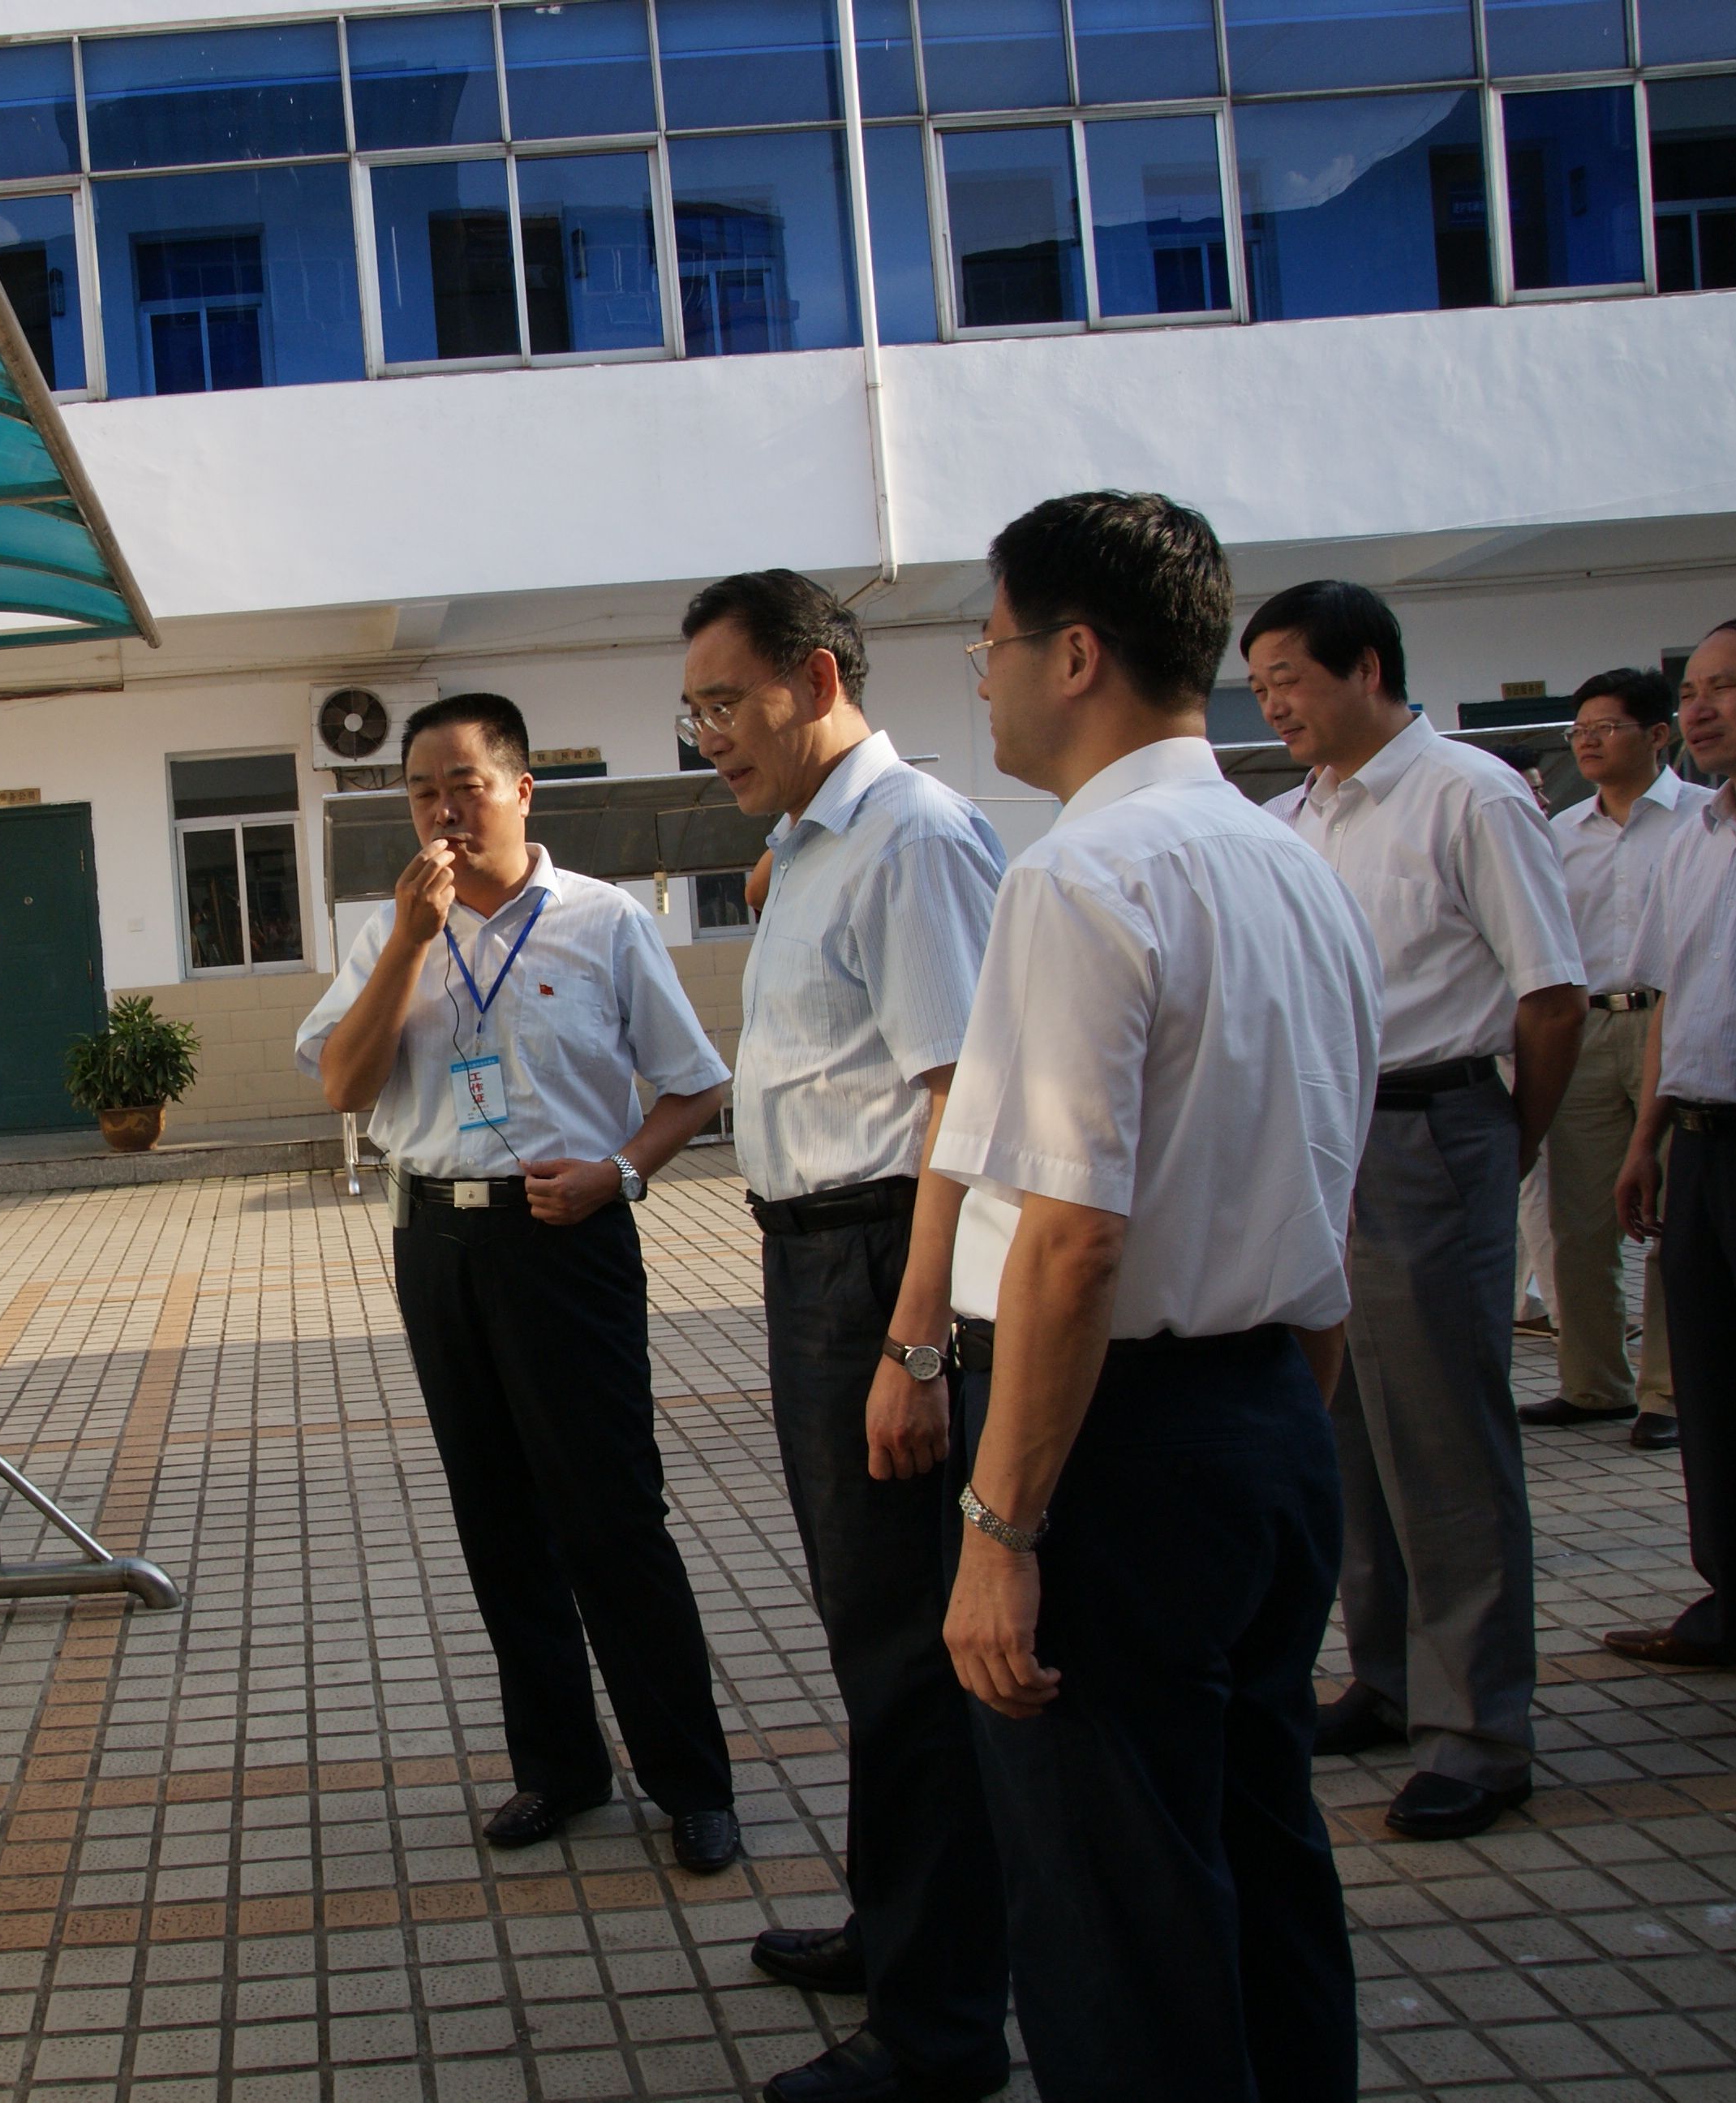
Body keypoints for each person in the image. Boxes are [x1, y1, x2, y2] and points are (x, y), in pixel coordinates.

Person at [939, 491, 1378, 2100]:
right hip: (1267, 1421)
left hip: (1110, 1451)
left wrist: (999, 1535)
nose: (976, 682)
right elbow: (1329, 1179)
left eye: (985, 646)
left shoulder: (1078, 881)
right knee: (1260, 1862)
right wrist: (1277, 1421)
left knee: (1116, 1918)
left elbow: (1070, 1241)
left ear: (1070, 653)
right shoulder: (1291, 863)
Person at [295, 692, 742, 1873]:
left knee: (611, 1516)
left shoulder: (603, 923)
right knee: (496, 1518)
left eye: (467, 784)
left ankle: (690, 1777)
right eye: (422, 791)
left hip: (569, 1242)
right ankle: (558, 1768)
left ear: (522, 788)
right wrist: (403, 943)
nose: (443, 810)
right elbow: (345, 1087)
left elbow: (696, 1086)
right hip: (439, 1245)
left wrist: (622, 1174)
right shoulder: (390, 929)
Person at [683, 573, 1010, 2103]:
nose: (707, 735)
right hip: (813, 1264)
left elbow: (961, 1103)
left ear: (814, 677)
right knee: (867, 1636)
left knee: (910, 1651)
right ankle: (902, 1931)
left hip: (886, 1266)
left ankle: (938, 2032)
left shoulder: (916, 840)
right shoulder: (808, 848)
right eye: (691, 710)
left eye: (726, 702)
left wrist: (916, 1342)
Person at [1250, 579, 1585, 1841]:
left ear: (1370, 667)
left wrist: (1501, 1145)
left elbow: (1550, 997)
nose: (1273, 700)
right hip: (1329, 1138)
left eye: (1291, 675)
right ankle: (1387, 1679)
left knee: (1446, 1438)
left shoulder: (1472, 796)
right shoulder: (1296, 816)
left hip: (1438, 1125)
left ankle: (1480, 1732)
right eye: (1263, 678)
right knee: (1345, 1426)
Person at [1608, 615, 1736, 1752]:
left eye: (1725, 688)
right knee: (1723, 1404)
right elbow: (1670, 1007)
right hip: (1701, 1144)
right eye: (1689, 690)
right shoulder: (1689, 841)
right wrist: (1647, 1143)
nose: (1695, 709)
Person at [1523, 669, 1708, 1450]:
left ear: (1658, 734)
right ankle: (1593, 1382)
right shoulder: (1560, 835)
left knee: (1672, 1220)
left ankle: (1668, 1392)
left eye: (1608, 727)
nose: (1590, 742)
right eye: (1580, 731)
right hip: (1588, 1030)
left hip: (1676, 1021)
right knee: (1580, 1218)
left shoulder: (1705, 822)